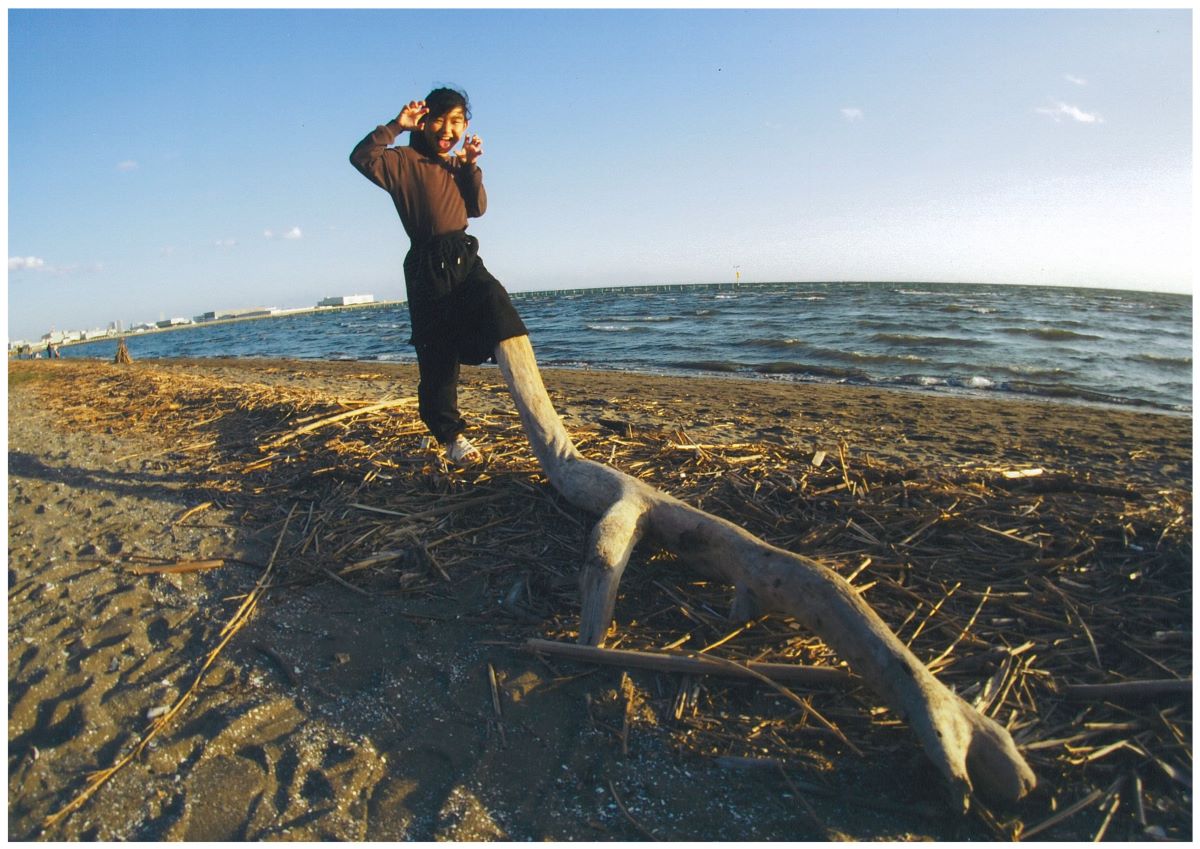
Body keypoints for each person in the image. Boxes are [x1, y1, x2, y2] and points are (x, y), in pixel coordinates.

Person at [350, 87, 528, 465]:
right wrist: (397, 126)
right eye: (441, 120)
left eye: (457, 122)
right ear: (424, 121)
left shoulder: (455, 164)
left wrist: (469, 167)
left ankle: (531, 402)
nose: (448, 130)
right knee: (437, 359)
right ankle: (452, 437)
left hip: (464, 255)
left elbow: (476, 208)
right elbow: (362, 156)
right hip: (426, 266)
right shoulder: (402, 160)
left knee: (498, 306)